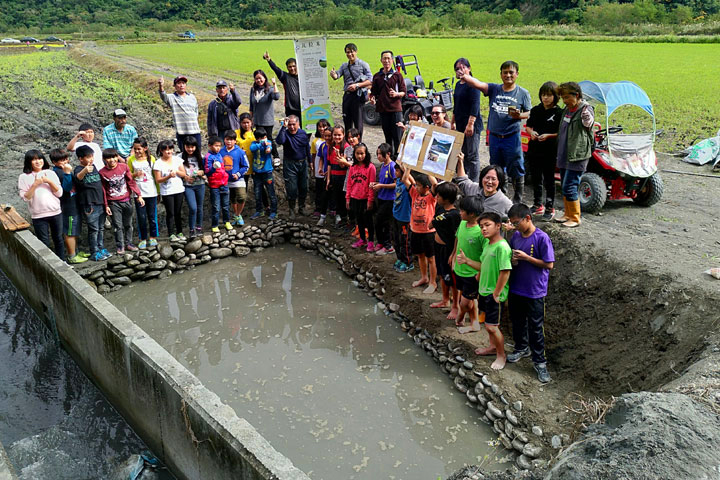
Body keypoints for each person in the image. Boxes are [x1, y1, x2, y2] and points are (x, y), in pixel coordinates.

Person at [460, 60, 532, 203]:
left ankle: (517, 199)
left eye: (511, 72)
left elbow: (530, 113)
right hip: (495, 137)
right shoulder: (494, 89)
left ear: (517, 74)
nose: (508, 75)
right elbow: (478, 84)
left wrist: (519, 116)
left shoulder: (523, 93)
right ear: (501, 75)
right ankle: (500, 196)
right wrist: (465, 76)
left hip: (512, 137)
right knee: (497, 168)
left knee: (516, 167)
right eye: (505, 72)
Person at [456, 211, 512, 370]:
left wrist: (497, 293)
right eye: (481, 226)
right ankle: (492, 347)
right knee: (489, 324)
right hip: (484, 290)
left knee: (492, 326)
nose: (484, 229)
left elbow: (505, 271)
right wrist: (467, 261)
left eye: (487, 225)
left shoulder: (502, 247)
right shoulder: (488, 244)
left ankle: (501, 356)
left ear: (498, 226)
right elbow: (483, 265)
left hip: (494, 294)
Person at [506, 204, 554, 383]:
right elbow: (511, 255)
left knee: (536, 327)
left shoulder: (542, 238)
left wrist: (527, 258)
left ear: (528, 218)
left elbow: (549, 264)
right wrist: (514, 260)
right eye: (512, 223)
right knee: (517, 321)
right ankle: (521, 348)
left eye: (517, 222)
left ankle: (540, 362)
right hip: (517, 287)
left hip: (535, 291)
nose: (514, 226)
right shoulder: (516, 236)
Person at [554, 82, 594, 228]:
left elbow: (589, 124)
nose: (564, 101)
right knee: (565, 185)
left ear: (576, 95)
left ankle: (575, 217)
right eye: (562, 98)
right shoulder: (567, 109)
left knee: (570, 185)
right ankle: (567, 214)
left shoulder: (585, 109)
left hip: (577, 155)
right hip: (565, 154)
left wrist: (586, 116)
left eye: (566, 97)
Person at [19, 149, 65, 260]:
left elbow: (59, 193)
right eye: (34, 160)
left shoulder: (50, 173)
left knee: (58, 238)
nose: (38, 162)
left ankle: (63, 261)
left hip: (55, 211)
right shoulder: (24, 177)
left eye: (39, 159)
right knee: (44, 242)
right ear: (28, 162)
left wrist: (48, 181)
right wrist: (35, 184)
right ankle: (49, 265)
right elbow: (26, 198)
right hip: (38, 215)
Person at [526, 81, 562, 221]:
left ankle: (549, 206)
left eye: (548, 95)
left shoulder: (559, 113)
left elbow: (561, 133)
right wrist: (532, 133)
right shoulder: (536, 110)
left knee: (549, 179)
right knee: (536, 178)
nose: (545, 98)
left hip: (549, 151)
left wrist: (549, 136)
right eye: (543, 95)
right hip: (534, 149)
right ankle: (537, 204)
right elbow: (528, 127)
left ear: (555, 96)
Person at [448, 195, 485, 330]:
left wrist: (480, 272)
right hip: (460, 269)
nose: (459, 212)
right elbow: (457, 239)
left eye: (462, 210)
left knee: (464, 302)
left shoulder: (481, 232)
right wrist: (453, 254)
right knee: (470, 299)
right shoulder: (463, 223)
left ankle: (460, 315)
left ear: (472, 214)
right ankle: (474, 322)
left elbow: (485, 256)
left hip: (472, 273)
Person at [99, 148, 144, 254]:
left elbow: (131, 182)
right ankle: (120, 246)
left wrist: (139, 195)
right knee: (117, 226)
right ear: (104, 159)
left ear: (117, 157)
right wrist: (106, 205)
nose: (112, 160)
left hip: (127, 200)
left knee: (128, 224)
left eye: (114, 157)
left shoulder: (124, 167)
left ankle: (129, 243)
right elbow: (103, 190)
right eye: (108, 158)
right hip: (113, 203)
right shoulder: (102, 173)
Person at [402, 167, 438, 295]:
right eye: (415, 185)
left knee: (431, 258)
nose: (416, 187)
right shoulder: (414, 194)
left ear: (427, 188)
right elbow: (405, 179)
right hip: (415, 230)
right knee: (420, 256)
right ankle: (424, 277)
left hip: (428, 233)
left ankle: (433, 282)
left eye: (418, 186)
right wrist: (408, 169)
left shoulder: (432, 197)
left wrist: (429, 171)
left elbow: (435, 184)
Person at [50, 149, 87, 264]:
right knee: (70, 232)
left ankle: (75, 251)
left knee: (75, 230)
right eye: (61, 160)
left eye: (66, 159)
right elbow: (66, 188)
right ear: (54, 162)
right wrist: (67, 173)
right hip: (67, 207)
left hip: (74, 205)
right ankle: (71, 256)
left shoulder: (63, 169)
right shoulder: (58, 173)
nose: (65, 162)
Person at [431, 181, 461, 319]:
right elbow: (432, 223)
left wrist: (454, 254)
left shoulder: (455, 215)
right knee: (442, 274)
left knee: (452, 279)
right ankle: (445, 299)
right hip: (438, 246)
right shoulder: (440, 207)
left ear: (447, 198)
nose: (436, 197)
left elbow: (457, 236)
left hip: (448, 249)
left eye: (439, 195)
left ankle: (456, 306)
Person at [73, 145, 109, 261]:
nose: (91, 159)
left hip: (100, 202)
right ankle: (94, 252)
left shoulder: (94, 167)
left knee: (101, 228)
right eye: (88, 157)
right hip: (90, 204)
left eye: (92, 156)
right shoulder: (79, 170)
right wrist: (84, 170)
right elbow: (78, 178)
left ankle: (100, 248)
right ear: (81, 159)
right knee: (94, 229)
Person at [330, 43, 372, 140]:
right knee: (347, 121)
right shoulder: (344, 66)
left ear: (356, 52)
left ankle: (358, 143)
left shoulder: (363, 65)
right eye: (347, 52)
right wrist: (333, 74)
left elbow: (370, 80)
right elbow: (337, 76)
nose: (350, 54)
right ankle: (347, 144)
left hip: (358, 96)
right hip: (347, 96)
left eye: (351, 52)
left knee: (358, 122)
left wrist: (357, 85)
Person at [451, 58, 483, 183]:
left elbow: (475, 105)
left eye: (463, 67)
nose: (460, 70)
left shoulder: (473, 84)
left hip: (472, 125)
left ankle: (474, 183)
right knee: (463, 153)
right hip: (460, 124)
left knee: (472, 155)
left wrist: (470, 124)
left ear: (469, 69)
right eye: (457, 68)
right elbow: (456, 105)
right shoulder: (458, 84)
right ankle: (465, 179)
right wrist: (453, 122)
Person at [369, 50, 406, 156]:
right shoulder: (377, 76)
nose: (386, 61)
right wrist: (372, 98)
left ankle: (398, 161)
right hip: (383, 110)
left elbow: (404, 92)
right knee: (387, 137)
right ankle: (389, 160)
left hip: (395, 110)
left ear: (392, 60)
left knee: (397, 137)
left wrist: (396, 94)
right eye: (384, 58)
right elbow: (373, 93)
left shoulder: (397, 75)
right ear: (381, 60)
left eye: (388, 58)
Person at [276, 115, 312, 219]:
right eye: (290, 125)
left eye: (293, 124)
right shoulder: (285, 133)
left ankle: (301, 207)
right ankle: (291, 209)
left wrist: (310, 162)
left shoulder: (303, 134)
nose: (291, 127)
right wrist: (283, 127)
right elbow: (279, 141)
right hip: (289, 164)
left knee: (304, 187)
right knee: (291, 188)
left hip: (302, 163)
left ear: (298, 124)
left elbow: (307, 148)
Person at [127, 137, 159, 248]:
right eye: (135, 149)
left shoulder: (152, 159)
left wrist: (158, 192)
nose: (137, 151)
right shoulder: (131, 160)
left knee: (152, 216)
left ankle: (153, 237)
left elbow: (155, 176)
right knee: (141, 216)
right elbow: (128, 175)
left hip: (151, 191)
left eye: (139, 149)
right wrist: (135, 175)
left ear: (145, 148)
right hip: (138, 193)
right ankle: (142, 238)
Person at [158, 75, 202, 152]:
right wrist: (161, 86)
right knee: (184, 154)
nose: (181, 85)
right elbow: (163, 96)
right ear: (174, 86)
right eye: (179, 83)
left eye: (183, 83)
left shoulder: (192, 97)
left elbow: (196, 111)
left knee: (197, 153)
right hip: (182, 132)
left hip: (195, 131)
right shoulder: (172, 97)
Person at [153, 140, 187, 240]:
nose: (168, 151)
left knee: (178, 212)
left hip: (179, 189)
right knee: (170, 212)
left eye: (170, 149)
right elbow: (158, 180)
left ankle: (180, 232)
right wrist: (168, 176)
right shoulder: (158, 163)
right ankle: (171, 233)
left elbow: (184, 174)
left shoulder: (177, 160)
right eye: (166, 150)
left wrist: (176, 172)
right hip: (167, 191)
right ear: (161, 151)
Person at [346, 143, 377, 251]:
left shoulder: (371, 167)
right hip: (355, 197)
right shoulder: (353, 167)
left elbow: (371, 185)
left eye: (362, 153)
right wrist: (348, 198)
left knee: (368, 220)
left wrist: (370, 200)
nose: (360, 156)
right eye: (357, 153)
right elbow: (349, 184)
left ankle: (371, 241)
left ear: (366, 153)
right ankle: (362, 239)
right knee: (359, 219)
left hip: (365, 198)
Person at [249, 69, 281, 162]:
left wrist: (275, 84)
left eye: (260, 78)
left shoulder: (269, 90)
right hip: (257, 120)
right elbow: (251, 105)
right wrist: (251, 119)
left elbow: (276, 97)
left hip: (267, 120)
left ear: (264, 78)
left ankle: (276, 156)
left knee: (269, 138)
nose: (258, 80)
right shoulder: (253, 90)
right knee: (259, 139)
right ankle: (262, 156)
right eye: (256, 79)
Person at [370, 143, 396, 255]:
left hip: (389, 199)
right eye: (377, 154)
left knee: (385, 223)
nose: (378, 156)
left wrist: (381, 186)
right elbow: (383, 182)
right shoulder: (383, 166)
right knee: (378, 222)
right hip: (381, 197)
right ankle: (381, 242)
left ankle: (388, 245)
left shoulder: (392, 167)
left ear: (388, 154)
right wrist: (376, 184)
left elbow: (396, 184)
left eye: (380, 154)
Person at [220, 130, 249, 226]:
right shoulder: (221, 151)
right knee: (232, 199)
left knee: (242, 197)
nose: (229, 142)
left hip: (238, 180)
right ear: (224, 140)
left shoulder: (240, 152)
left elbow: (246, 166)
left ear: (235, 141)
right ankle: (237, 216)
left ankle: (237, 214)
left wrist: (238, 174)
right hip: (226, 180)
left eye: (231, 140)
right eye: (227, 139)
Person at [323, 126, 350, 227]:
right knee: (336, 197)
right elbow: (329, 164)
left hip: (343, 178)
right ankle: (339, 217)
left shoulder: (346, 147)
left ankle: (345, 219)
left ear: (343, 135)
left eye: (339, 135)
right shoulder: (331, 146)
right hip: (334, 177)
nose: (337, 137)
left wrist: (340, 157)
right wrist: (328, 179)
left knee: (344, 198)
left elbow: (344, 165)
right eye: (335, 135)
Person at [249, 128, 278, 220]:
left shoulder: (268, 142)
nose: (264, 139)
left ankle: (274, 212)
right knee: (257, 193)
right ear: (257, 138)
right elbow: (252, 148)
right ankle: (259, 211)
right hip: (257, 173)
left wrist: (267, 148)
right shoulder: (254, 144)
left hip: (267, 172)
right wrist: (260, 143)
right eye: (262, 137)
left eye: (265, 137)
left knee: (271, 193)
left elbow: (269, 149)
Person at [263, 51, 301, 122]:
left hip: (304, 108)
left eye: (294, 66)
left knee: (306, 130)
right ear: (287, 68)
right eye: (290, 67)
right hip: (290, 108)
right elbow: (276, 69)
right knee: (291, 128)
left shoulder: (304, 78)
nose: (292, 68)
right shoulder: (285, 77)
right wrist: (269, 60)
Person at [204, 136, 232, 232]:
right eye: (216, 146)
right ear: (210, 146)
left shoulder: (219, 155)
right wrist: (213, 168)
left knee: (226, 205)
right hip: (214, 185)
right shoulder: (208, 157)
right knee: (216, 206)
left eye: (219, 146)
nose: (218, 148)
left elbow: (223, 168)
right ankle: (215, 225)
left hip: (224, 183)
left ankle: (227, 221)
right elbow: (207, 172)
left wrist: (226, 176)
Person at [180, 136, 206, 237]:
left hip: (200, 184)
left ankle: (198, 227)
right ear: (184, 146)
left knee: (200, 207)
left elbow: (206, 170)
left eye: (192, 147)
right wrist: (185, 177)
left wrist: (202, 172)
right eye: (188, 147)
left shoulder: (200, 156)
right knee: (193, 208)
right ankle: (191, 229)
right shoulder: (179, 157)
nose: (190, 149)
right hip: (188, 186)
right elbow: (176, 171)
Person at [392, 162, 413, 273]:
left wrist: (406, 169)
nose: (395, 173)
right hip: (396, 215)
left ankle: (408, 262)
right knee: (396, 239)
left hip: (405, 218)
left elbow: (412, 182)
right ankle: (400, 258)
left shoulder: (408, 185)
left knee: (405, 241)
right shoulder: (398, 182)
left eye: (397, 171)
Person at [311, 120, 331, 221]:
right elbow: (314, 156)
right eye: (320, 127)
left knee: (329, 189)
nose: (322, 129)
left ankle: (331, 208)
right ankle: (318, 208)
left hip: (330, 169)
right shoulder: (316, 141)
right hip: (319, 169)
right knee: (319, 189)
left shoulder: (332, 140)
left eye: (324, 126)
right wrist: (314, 168)